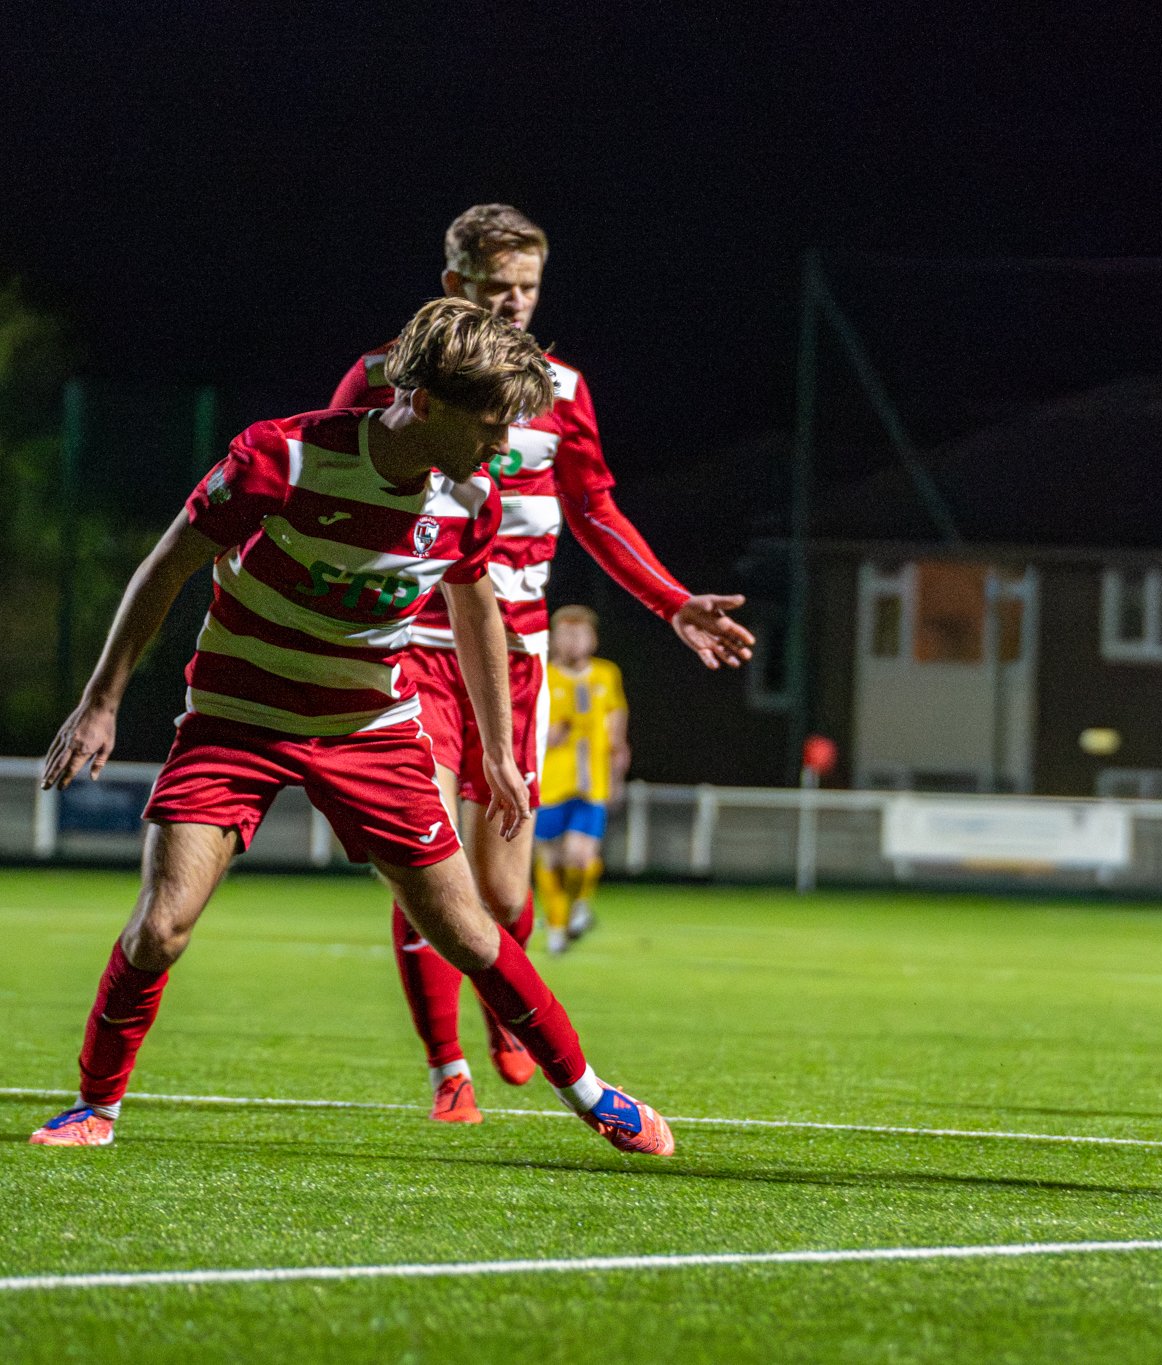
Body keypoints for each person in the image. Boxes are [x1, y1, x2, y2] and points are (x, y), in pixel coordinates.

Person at [29, 298, 673, 1156]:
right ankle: (94, 1107)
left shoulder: (470, 500)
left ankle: (592, 1094)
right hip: (237, 718)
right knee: (162, 925)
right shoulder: (282, 457)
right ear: (426, 401)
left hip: (368, 727)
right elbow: (166, 566)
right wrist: (102, 699)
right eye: (489, 425)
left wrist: (496, 747)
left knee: (468, 929)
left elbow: (478, 613)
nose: (504, 446)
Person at [332, 204, 753, 1122]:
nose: (516, 303)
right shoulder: (382, 376)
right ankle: (447, 1067)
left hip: (512, 660)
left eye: (528, 287)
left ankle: (506, 1012)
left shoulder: (562, 389)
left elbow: (595, 511)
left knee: (504, 889)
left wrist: (672, 600)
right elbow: (325, 479)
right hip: (405, 651)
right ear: (455, 286)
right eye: (498, 287)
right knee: (426, 860)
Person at [535, 605, 627, 954]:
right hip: (550, 783)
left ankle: (577, 908)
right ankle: (557, 926)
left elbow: (617, 724)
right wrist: (547, 737)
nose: (573, 641)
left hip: (592, 784)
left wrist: (617, 770)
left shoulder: (606, 674)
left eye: (580, 634)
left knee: (580, 857)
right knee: (552, 861)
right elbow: (526, 727)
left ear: (593, 639)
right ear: (555, 639)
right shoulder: (543, 676)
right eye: (566, 634)